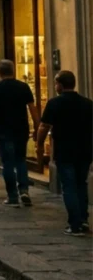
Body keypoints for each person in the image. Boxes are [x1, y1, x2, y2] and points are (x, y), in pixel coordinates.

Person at [36, 71, 92, 235]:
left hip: (64, 151)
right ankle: (83, 220)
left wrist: (39, 144)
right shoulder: (88, 103)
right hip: (85, 151)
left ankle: (74, 224)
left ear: (60, 84)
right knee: (81, 185)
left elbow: (44, 126)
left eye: (55, 83)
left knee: (69, 187)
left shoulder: (54, 103)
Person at [0, 60, 40, 207]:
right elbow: (33, 109)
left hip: (4, 129)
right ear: (13, 71)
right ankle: (24, 190)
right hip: (21, 129)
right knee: (20, 160)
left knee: (7, 163)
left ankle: (12, 196)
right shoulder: (23, 87)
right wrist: (38, 127)